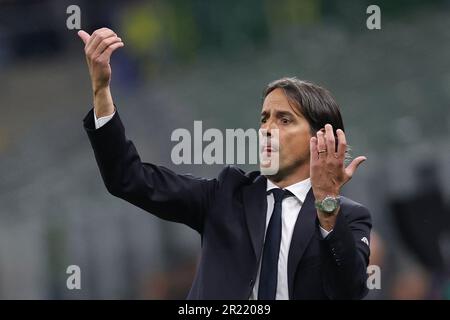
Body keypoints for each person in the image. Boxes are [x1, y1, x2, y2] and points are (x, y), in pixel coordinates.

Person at [78, 28, 372, 300]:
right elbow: (127, 178)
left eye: (284, 120)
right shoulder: (226, 195)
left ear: (321, 140)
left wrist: (326, 203)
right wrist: (101, 91)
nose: (267, 128)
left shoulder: (350, 217)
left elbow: (348, 291)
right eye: (264, 118)